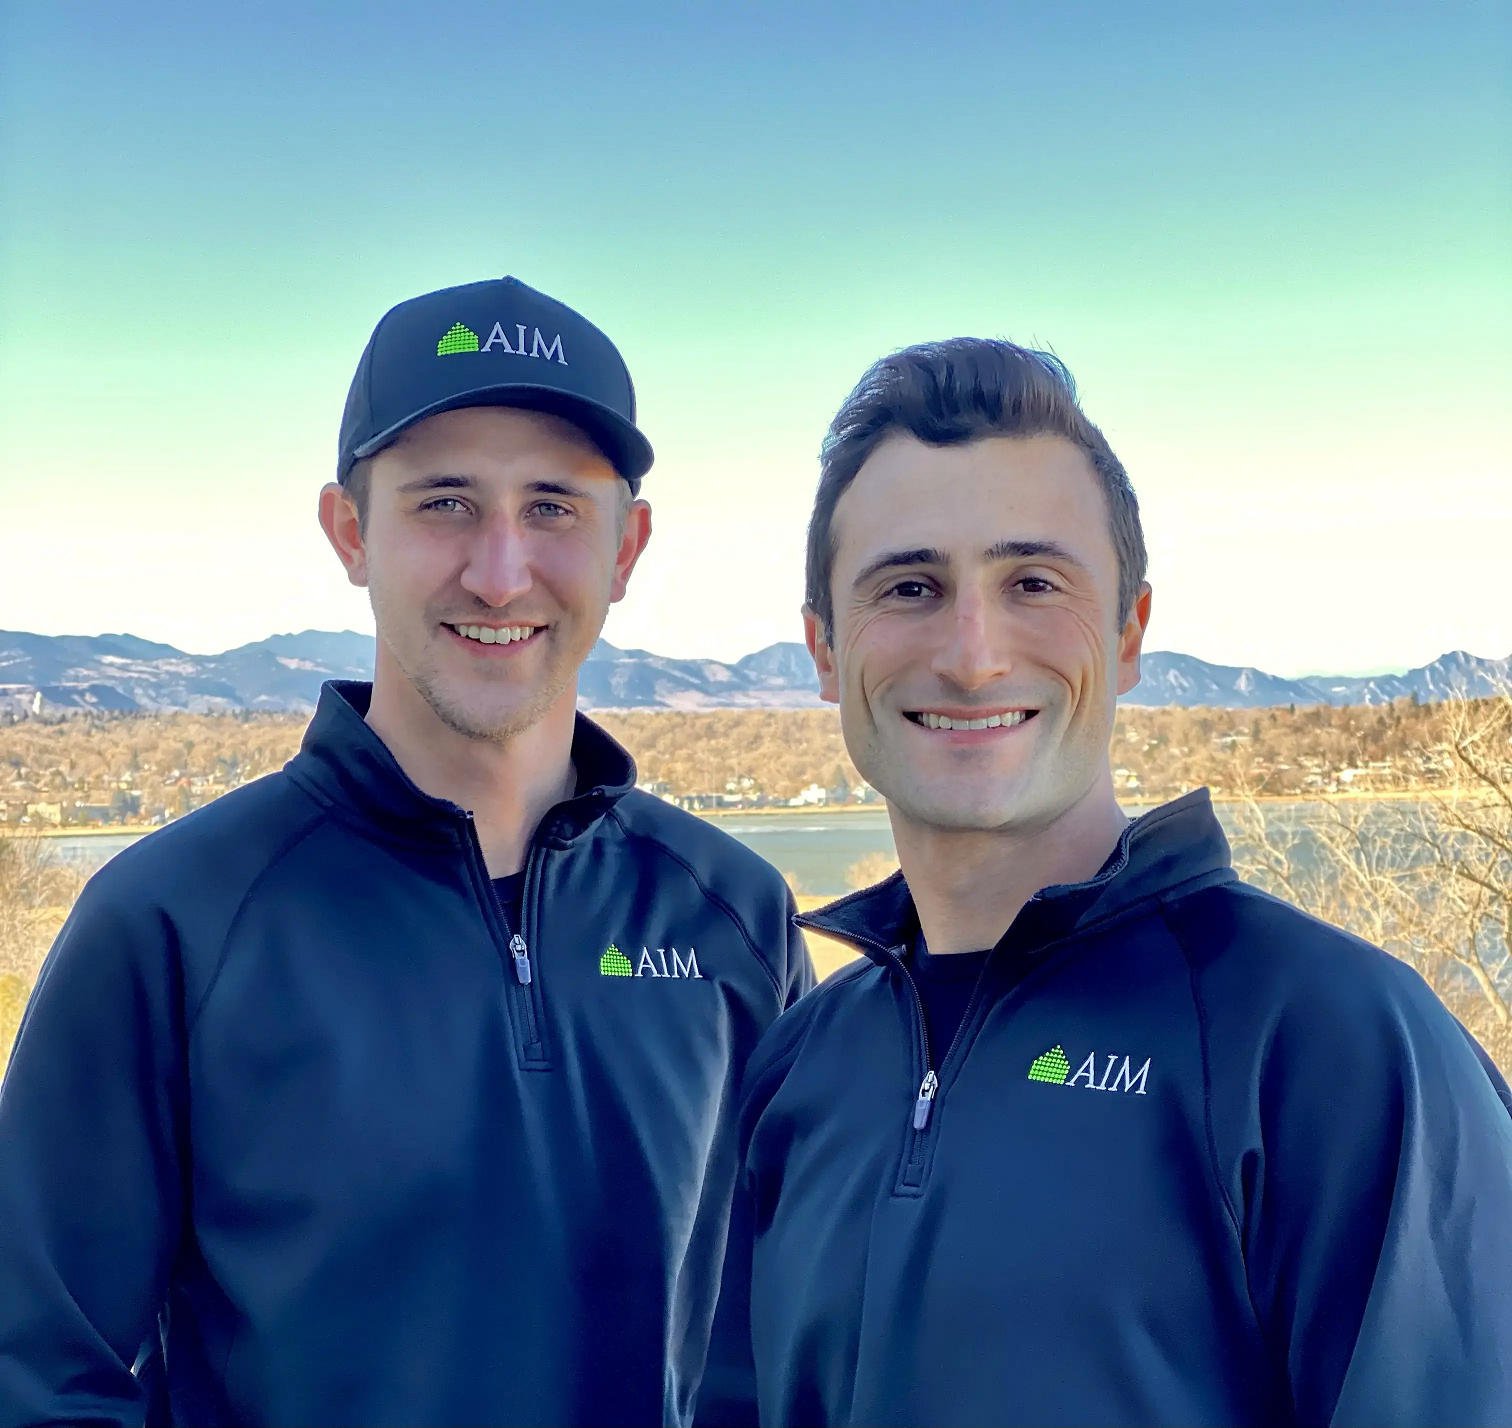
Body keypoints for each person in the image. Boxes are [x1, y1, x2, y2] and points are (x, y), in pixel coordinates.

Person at [0, 276, 812, 1426]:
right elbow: (35, 1368)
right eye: (443, 504)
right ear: (350, 533)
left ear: (626, 547)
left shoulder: (733, 914)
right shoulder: (176, 922)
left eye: (551, 507)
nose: (498, 571)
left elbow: (788, 1330)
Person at [700, 339, 1512, 1427]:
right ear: (823, 647)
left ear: (1130, 632)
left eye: (1033, 582)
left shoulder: (1330, 1044)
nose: (974, 654)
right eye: (910, 586)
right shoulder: (803, 1069)